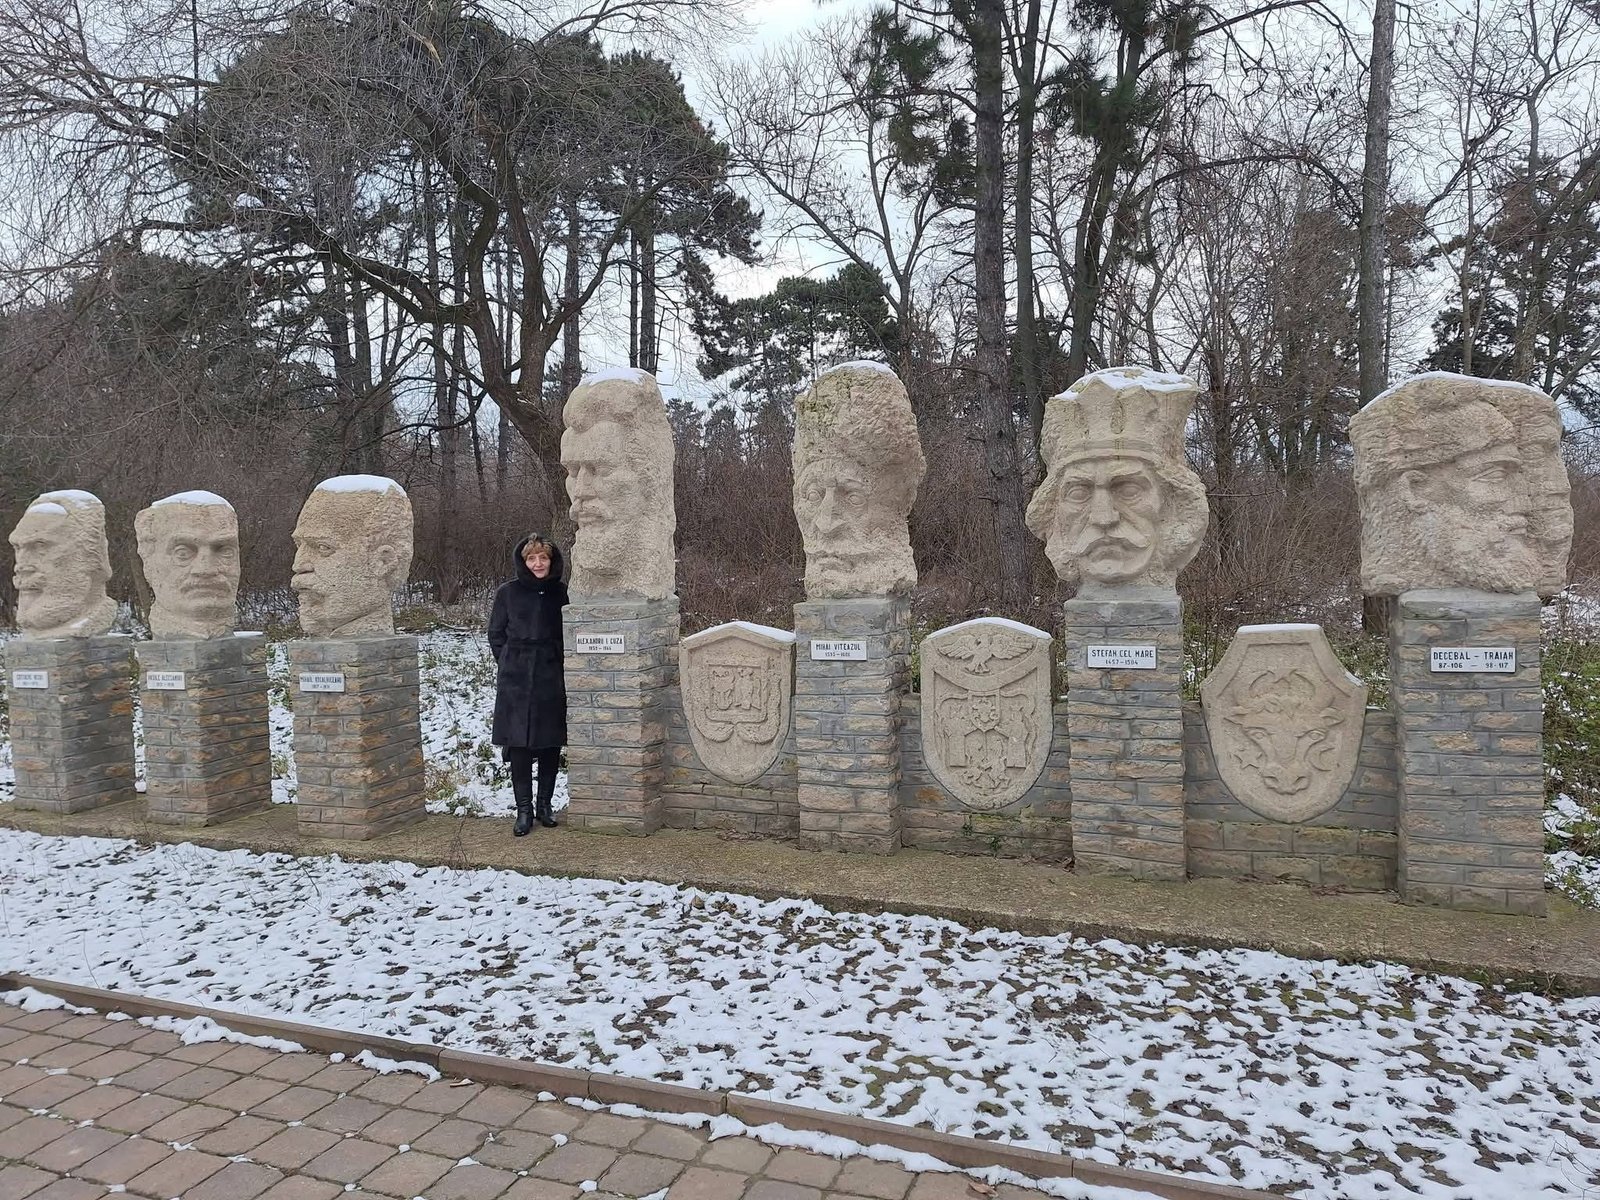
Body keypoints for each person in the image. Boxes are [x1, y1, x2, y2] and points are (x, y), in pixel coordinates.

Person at [488, 533, 568, 836]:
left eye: (543, 558)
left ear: (551, 561)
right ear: (523, 562)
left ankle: (545, 805)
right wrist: (509, 662)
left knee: (549, 743)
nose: (538, 564)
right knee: (518, 744)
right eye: (532, 558)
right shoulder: (507, 593)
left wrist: (558, 661)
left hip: (551, 674)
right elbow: (496, 634)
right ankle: (524, 810)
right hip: (516, 679)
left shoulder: (562, 593)